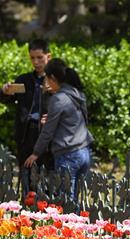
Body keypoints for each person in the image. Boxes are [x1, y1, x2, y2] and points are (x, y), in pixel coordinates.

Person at [24, 59, 93, 201]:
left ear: (53, 78)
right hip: (84, 151)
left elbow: (48, 131)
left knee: (66, 200)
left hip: (68, 154)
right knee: (76, 198)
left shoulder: (59, 98)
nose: (47, 84)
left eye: (47, 79)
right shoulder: (77, 93)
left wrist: (36, 153)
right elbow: (81, 120)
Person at [0, 39, 53, 195]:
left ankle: (48, 206)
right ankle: (27, 203)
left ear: (49, 56)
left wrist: (54, 91)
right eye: (32, 58)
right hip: (26, 132)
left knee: (46, 172)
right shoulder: (24, 80)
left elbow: (71, 103)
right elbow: (4, 99)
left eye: (40, 57)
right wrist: (5, 91)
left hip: (46, 134)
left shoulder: (57, 80)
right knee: (26, 171)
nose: (36, 62)